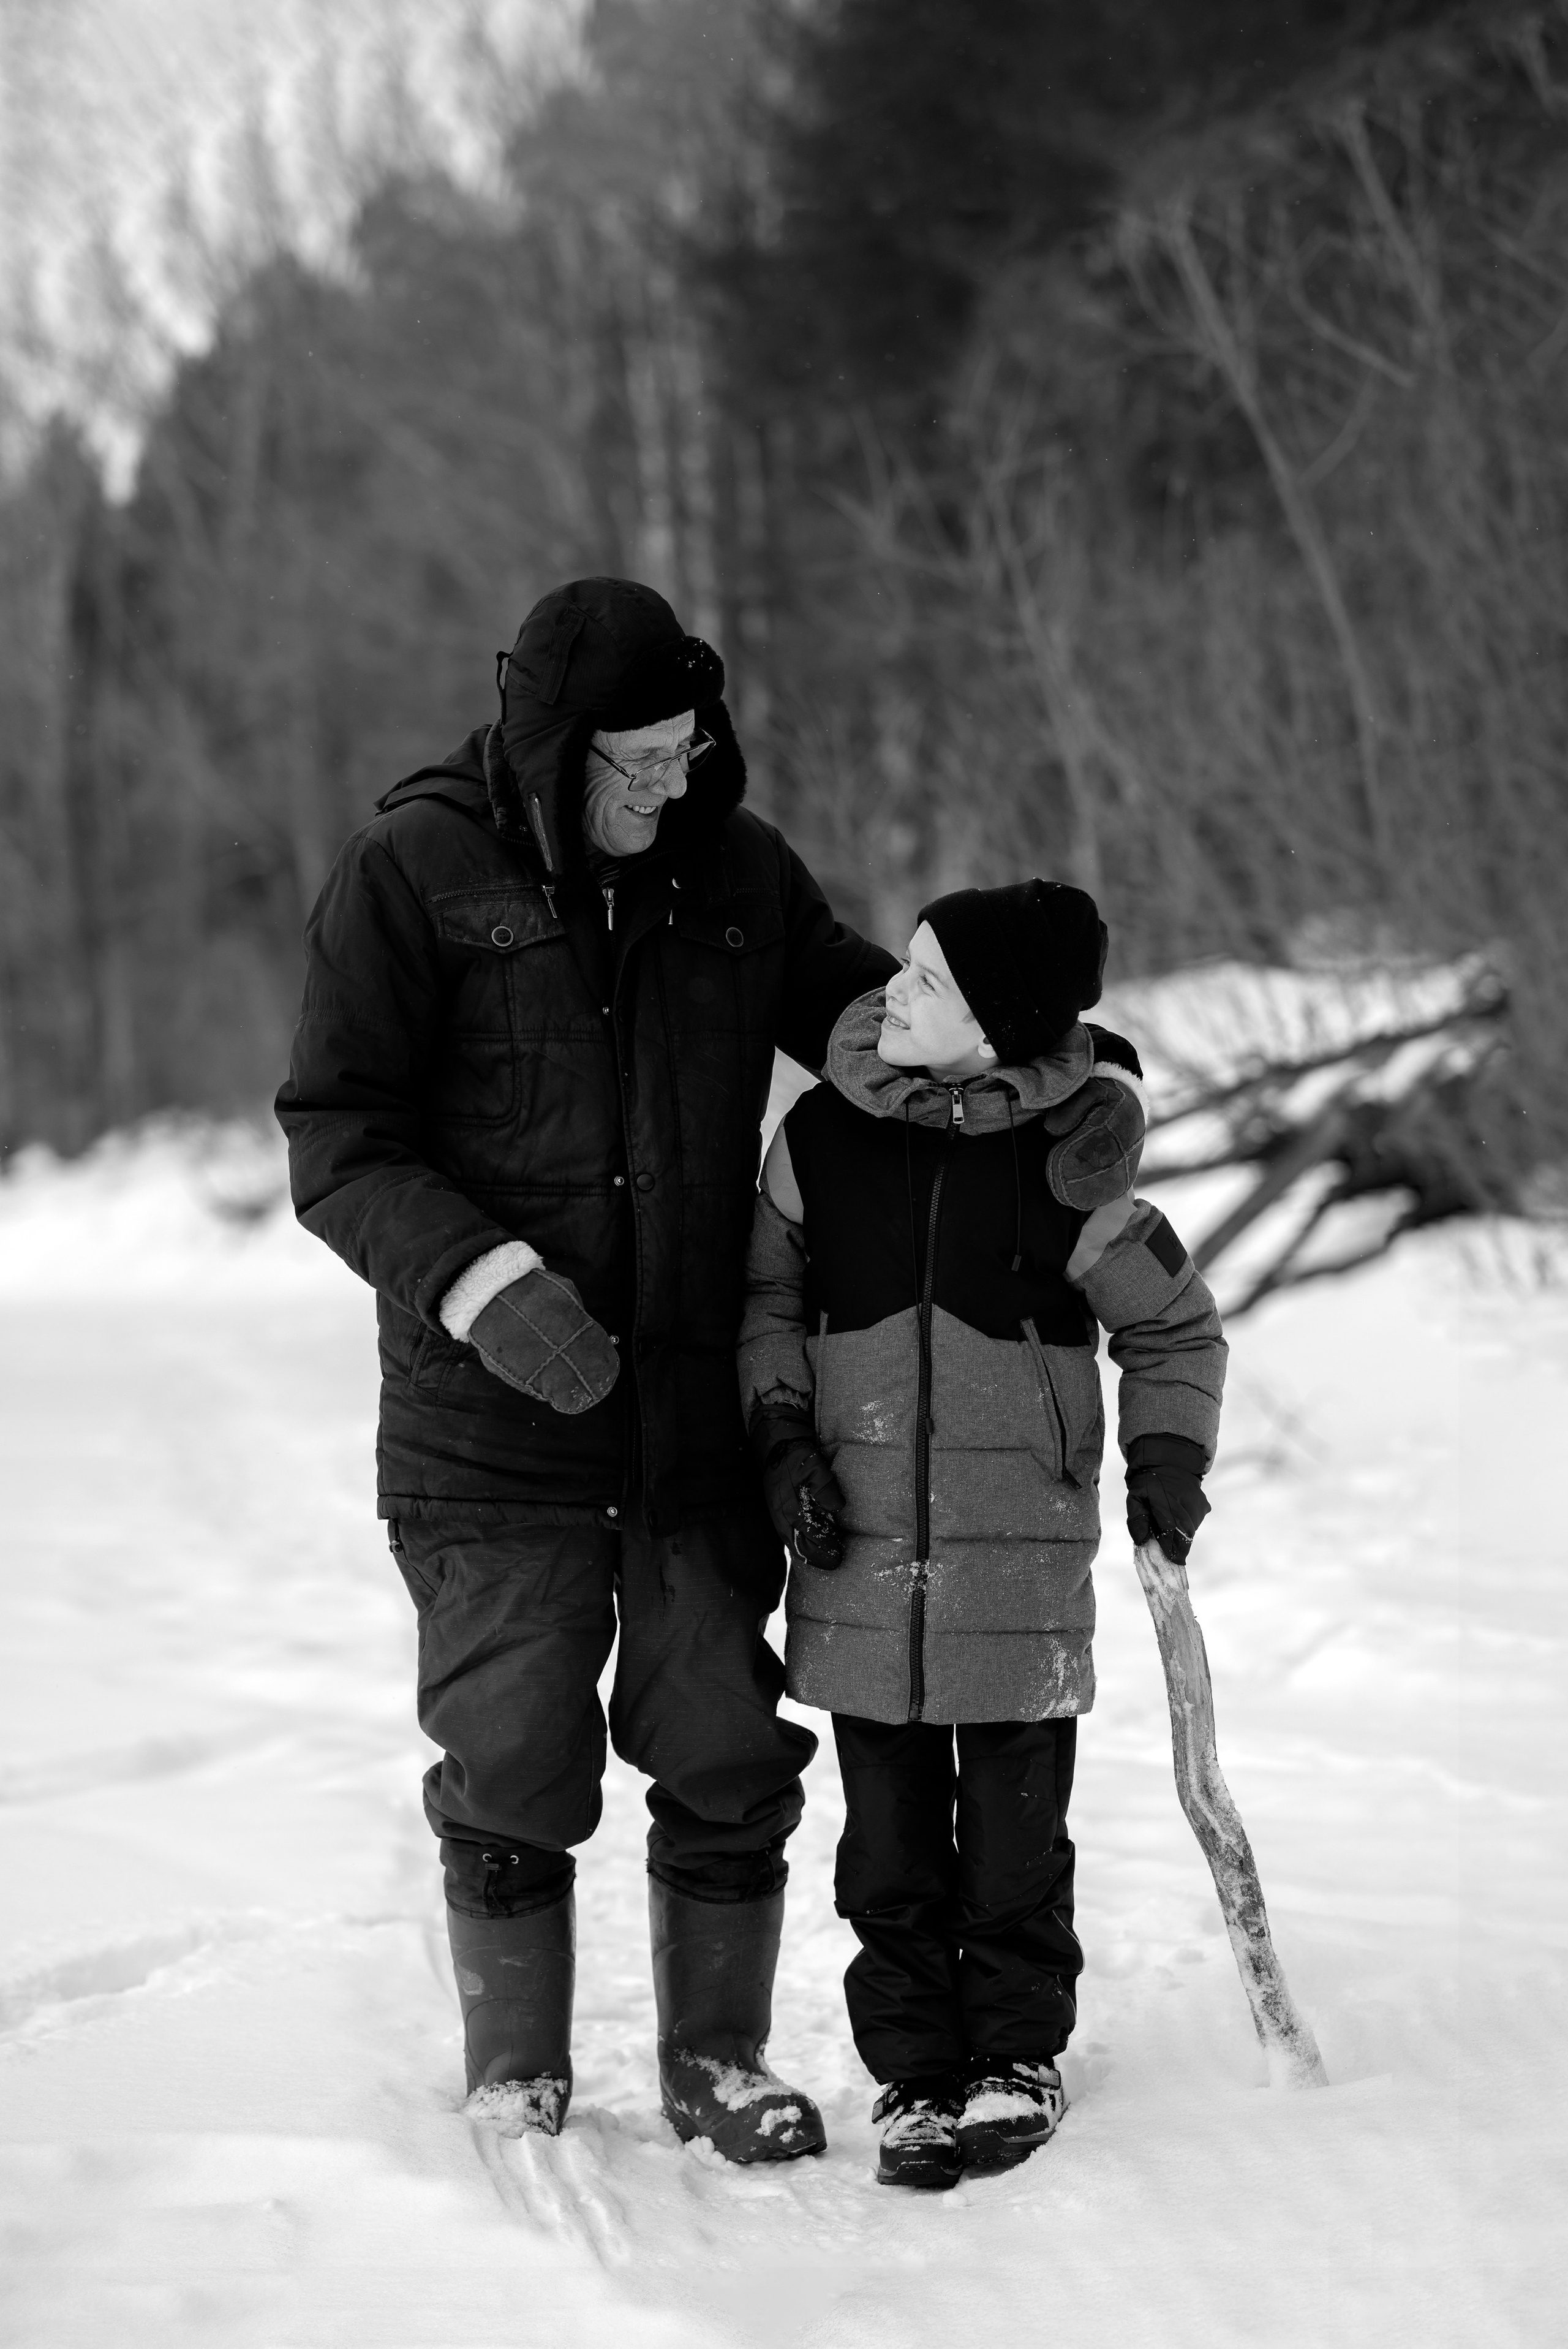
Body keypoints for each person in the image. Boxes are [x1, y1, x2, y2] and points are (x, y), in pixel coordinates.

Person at [276, 577, 895, 2158]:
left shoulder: (736, 871)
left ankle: (716, 2061)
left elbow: (856, 1009)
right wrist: (483, 1281)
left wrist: (1019, 1040)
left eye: (689, 754)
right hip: (489, 1427)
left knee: (725, 1739)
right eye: (633, 764)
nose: (666, 788)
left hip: (691, 1416)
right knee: (513, 1745)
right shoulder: (411, 873)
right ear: (553, 755)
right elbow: (340, 1139)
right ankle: (517, 2067)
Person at [737, 879, 1226, 2187]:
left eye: (927, 982)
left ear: (996, 1025)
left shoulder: (1073, 1159)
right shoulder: (819, 1141)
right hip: (856, 1540)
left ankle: (1013, 2056)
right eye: (901, 967)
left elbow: (1171, 1328)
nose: (889, 991)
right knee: (884, 1838)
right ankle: (911, 2071)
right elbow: (765, 1305)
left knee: (1014, 1835)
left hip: (1018, 1551)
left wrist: (1166, 1458)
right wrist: (781, 1436)